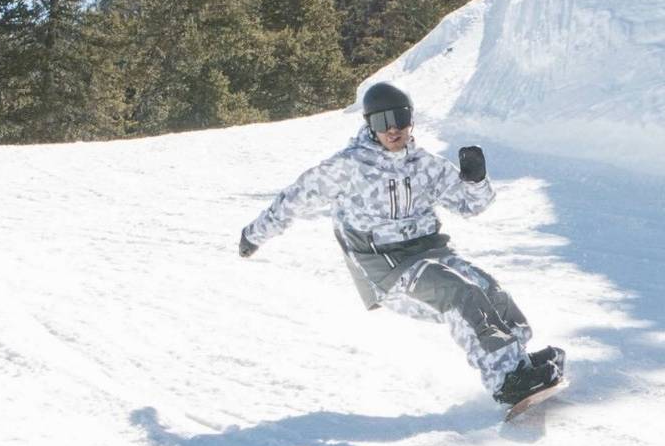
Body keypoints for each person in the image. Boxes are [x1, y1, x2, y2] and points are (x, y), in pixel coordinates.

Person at [238, 81, 564, 408]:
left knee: (488, 289)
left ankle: (518, 362)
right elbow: (293, 200)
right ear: (370, 125)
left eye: (400, 118)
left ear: (411, 120)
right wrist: (254, 234)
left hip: (432, 251)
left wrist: (476, 179)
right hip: (387, 266)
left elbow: (472, 205)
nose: (392, 129)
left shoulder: (425, 165)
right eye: (382, 121)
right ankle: (505, 380)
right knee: (459, 293)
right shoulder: (348, 168)